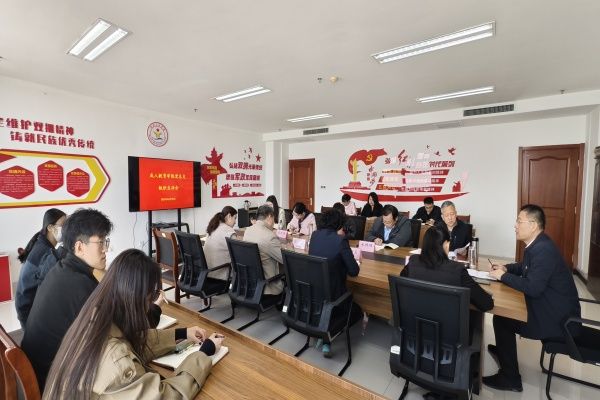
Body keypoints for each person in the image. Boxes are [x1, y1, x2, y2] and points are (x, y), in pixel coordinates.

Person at [43, 249, 225, 400]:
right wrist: (204, 353)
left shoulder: (95, 315)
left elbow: (130, 341)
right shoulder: (115, 361)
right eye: (153, 294)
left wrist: (181, 334)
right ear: (137, 297)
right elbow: (167, 396)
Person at [483, 204, 580, 392]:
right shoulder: (538, 244)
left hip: (558, 321)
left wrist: (503, 276)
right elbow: (524, 267)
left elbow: (533, 288)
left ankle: (511, 379)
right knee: (502, 317)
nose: (515, 225)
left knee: (503, 320)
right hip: (552, 308)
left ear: (533, 225)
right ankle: (504, 352)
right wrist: (506, 268)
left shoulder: (543, 250)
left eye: (519, 221)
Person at [21, 208, 113, 390]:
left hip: (35, 370)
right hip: (54, 383)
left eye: (106, 241)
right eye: (101, 242)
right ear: (79, 247)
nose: (105, 250)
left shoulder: (61, 268)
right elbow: (114, 330)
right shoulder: (81, 285)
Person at [402, 226, 493, 314]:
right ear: (446, 244)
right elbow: (487, 304)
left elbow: (401, 283)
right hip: (448, 323)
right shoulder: (457, 269)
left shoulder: (413, 261)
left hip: (415, 320)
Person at [309, 209, 363, 357]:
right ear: (339, 224)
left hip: (315, 295)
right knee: (358, 311)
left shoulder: (315, 235)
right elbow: (354, 271)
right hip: (334, 298)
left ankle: (323, 333)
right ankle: (328, 335)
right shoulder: (340, 241)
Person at [15, 208, 66, 328]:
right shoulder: (45, 252)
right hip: (29, 314)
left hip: (25, 307)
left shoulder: (41, 243)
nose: (67, 229)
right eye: (63, 225)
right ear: (50, 228)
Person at [244, 205, 284, 296]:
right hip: (268, 286)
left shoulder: (248, 230)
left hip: (251, 283)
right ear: (269, 216)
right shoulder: (269, 236)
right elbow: (284, 260)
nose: (274, 222)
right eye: (274, 219)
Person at [204, 206, 237, 281]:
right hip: (221, 277)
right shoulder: (229, 232)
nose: (235, 222)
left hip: (206, 274)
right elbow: (238, 256)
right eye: (235, 218)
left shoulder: (213, 227)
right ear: (229, 216)